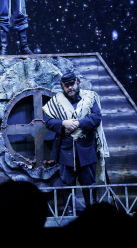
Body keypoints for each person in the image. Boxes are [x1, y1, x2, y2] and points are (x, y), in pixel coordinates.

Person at [41, 72, 109, 209]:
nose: (70, 88)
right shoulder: (56, 101)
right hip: (66, 150)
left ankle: (91, 210)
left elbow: (96, 117)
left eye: (72, 84)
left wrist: (78, 123)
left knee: (89, 184)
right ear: (62, 86)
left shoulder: (89, 97)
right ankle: (69, 212)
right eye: (66, 86)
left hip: (86, 148)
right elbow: (48, 121)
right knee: (67, 184)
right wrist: (63, 123)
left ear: (77, 82)